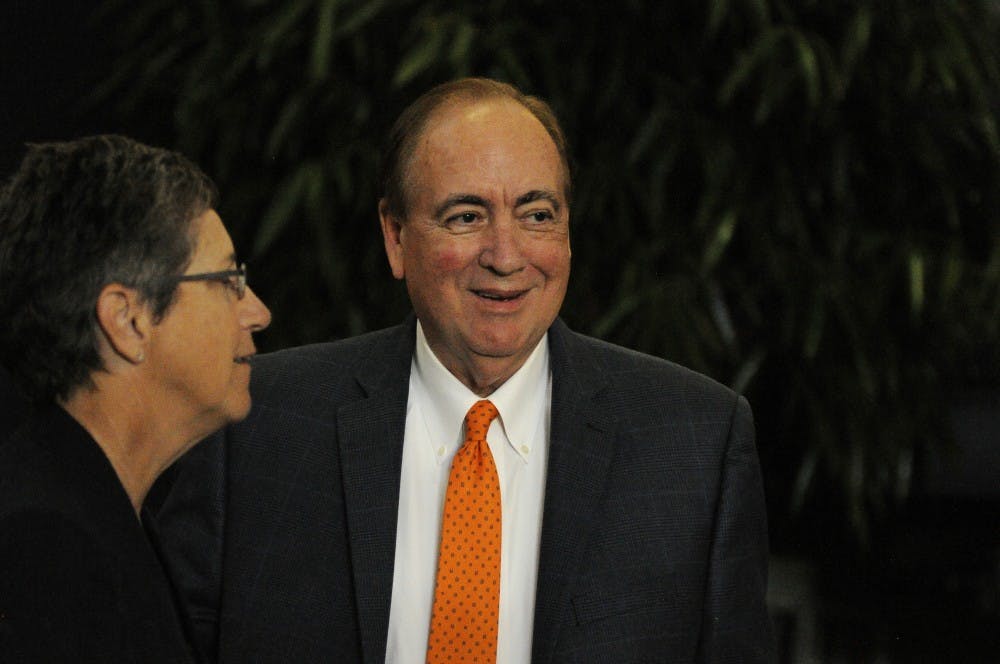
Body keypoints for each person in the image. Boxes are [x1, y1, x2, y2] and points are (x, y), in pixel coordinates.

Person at [151, 78, 773, 662]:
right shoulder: (254, 423)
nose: (506, 256)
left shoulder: (694, 443)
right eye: (466, 217)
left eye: (536, 215)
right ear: (396, 238)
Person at [0, 135, 272, 662]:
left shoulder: (112, 512)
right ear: (128, 320)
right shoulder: (43, 548)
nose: (258, 312)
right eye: (227, 279)